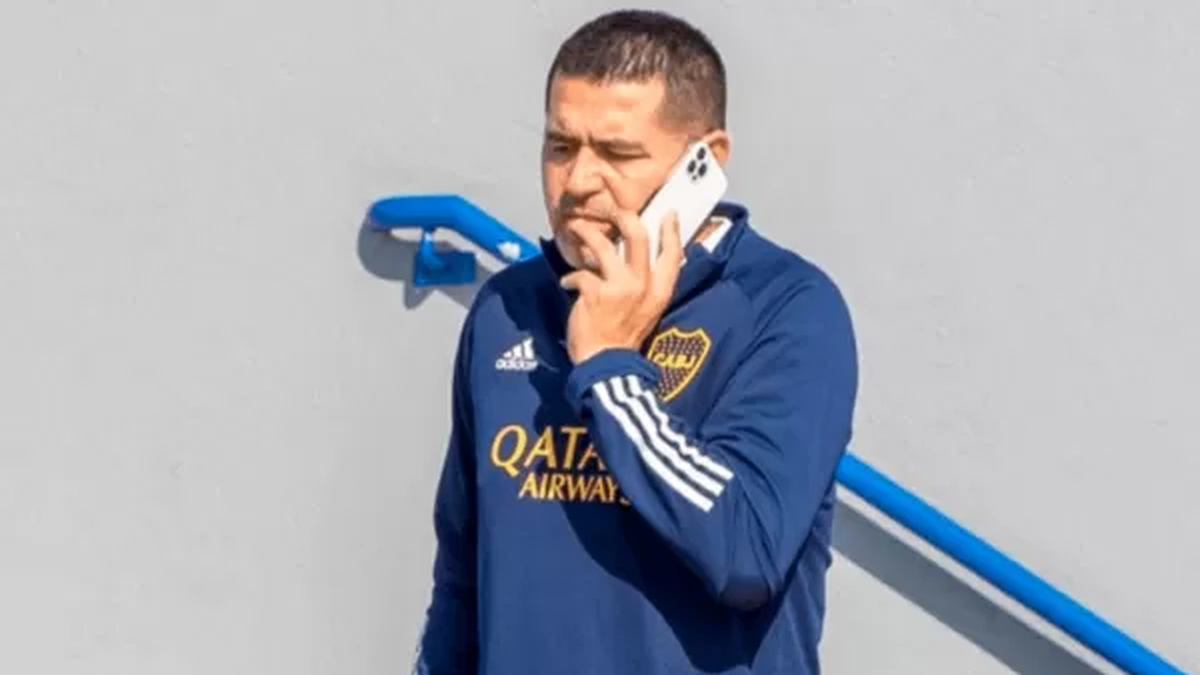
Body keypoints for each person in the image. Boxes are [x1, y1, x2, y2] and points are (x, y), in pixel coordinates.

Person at [413, 9, 858, 675]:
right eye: (560, 147)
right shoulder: (507, 309)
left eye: (617, 154)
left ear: (706, 160)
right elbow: (461, 573)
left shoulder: (787, 308)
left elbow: (747, 551)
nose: (578, 181)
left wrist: (610, 368)